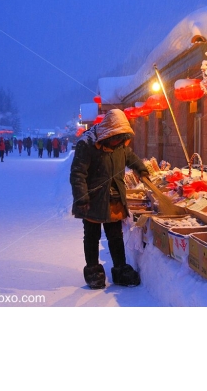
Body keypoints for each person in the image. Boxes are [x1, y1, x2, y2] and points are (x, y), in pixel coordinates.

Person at [70, 109, 150, 290]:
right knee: (92, 235)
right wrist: (82, 199)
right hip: (92, 199)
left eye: (121, 140)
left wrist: (140, 169)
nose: (118, 143)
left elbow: (130, 156)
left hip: (114, 198)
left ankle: (120, 268)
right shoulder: (87, 144)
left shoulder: (120, 143)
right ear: (108, 133)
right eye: (115, 139)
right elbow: (78, 174)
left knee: (115, 235)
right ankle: (93, 271)